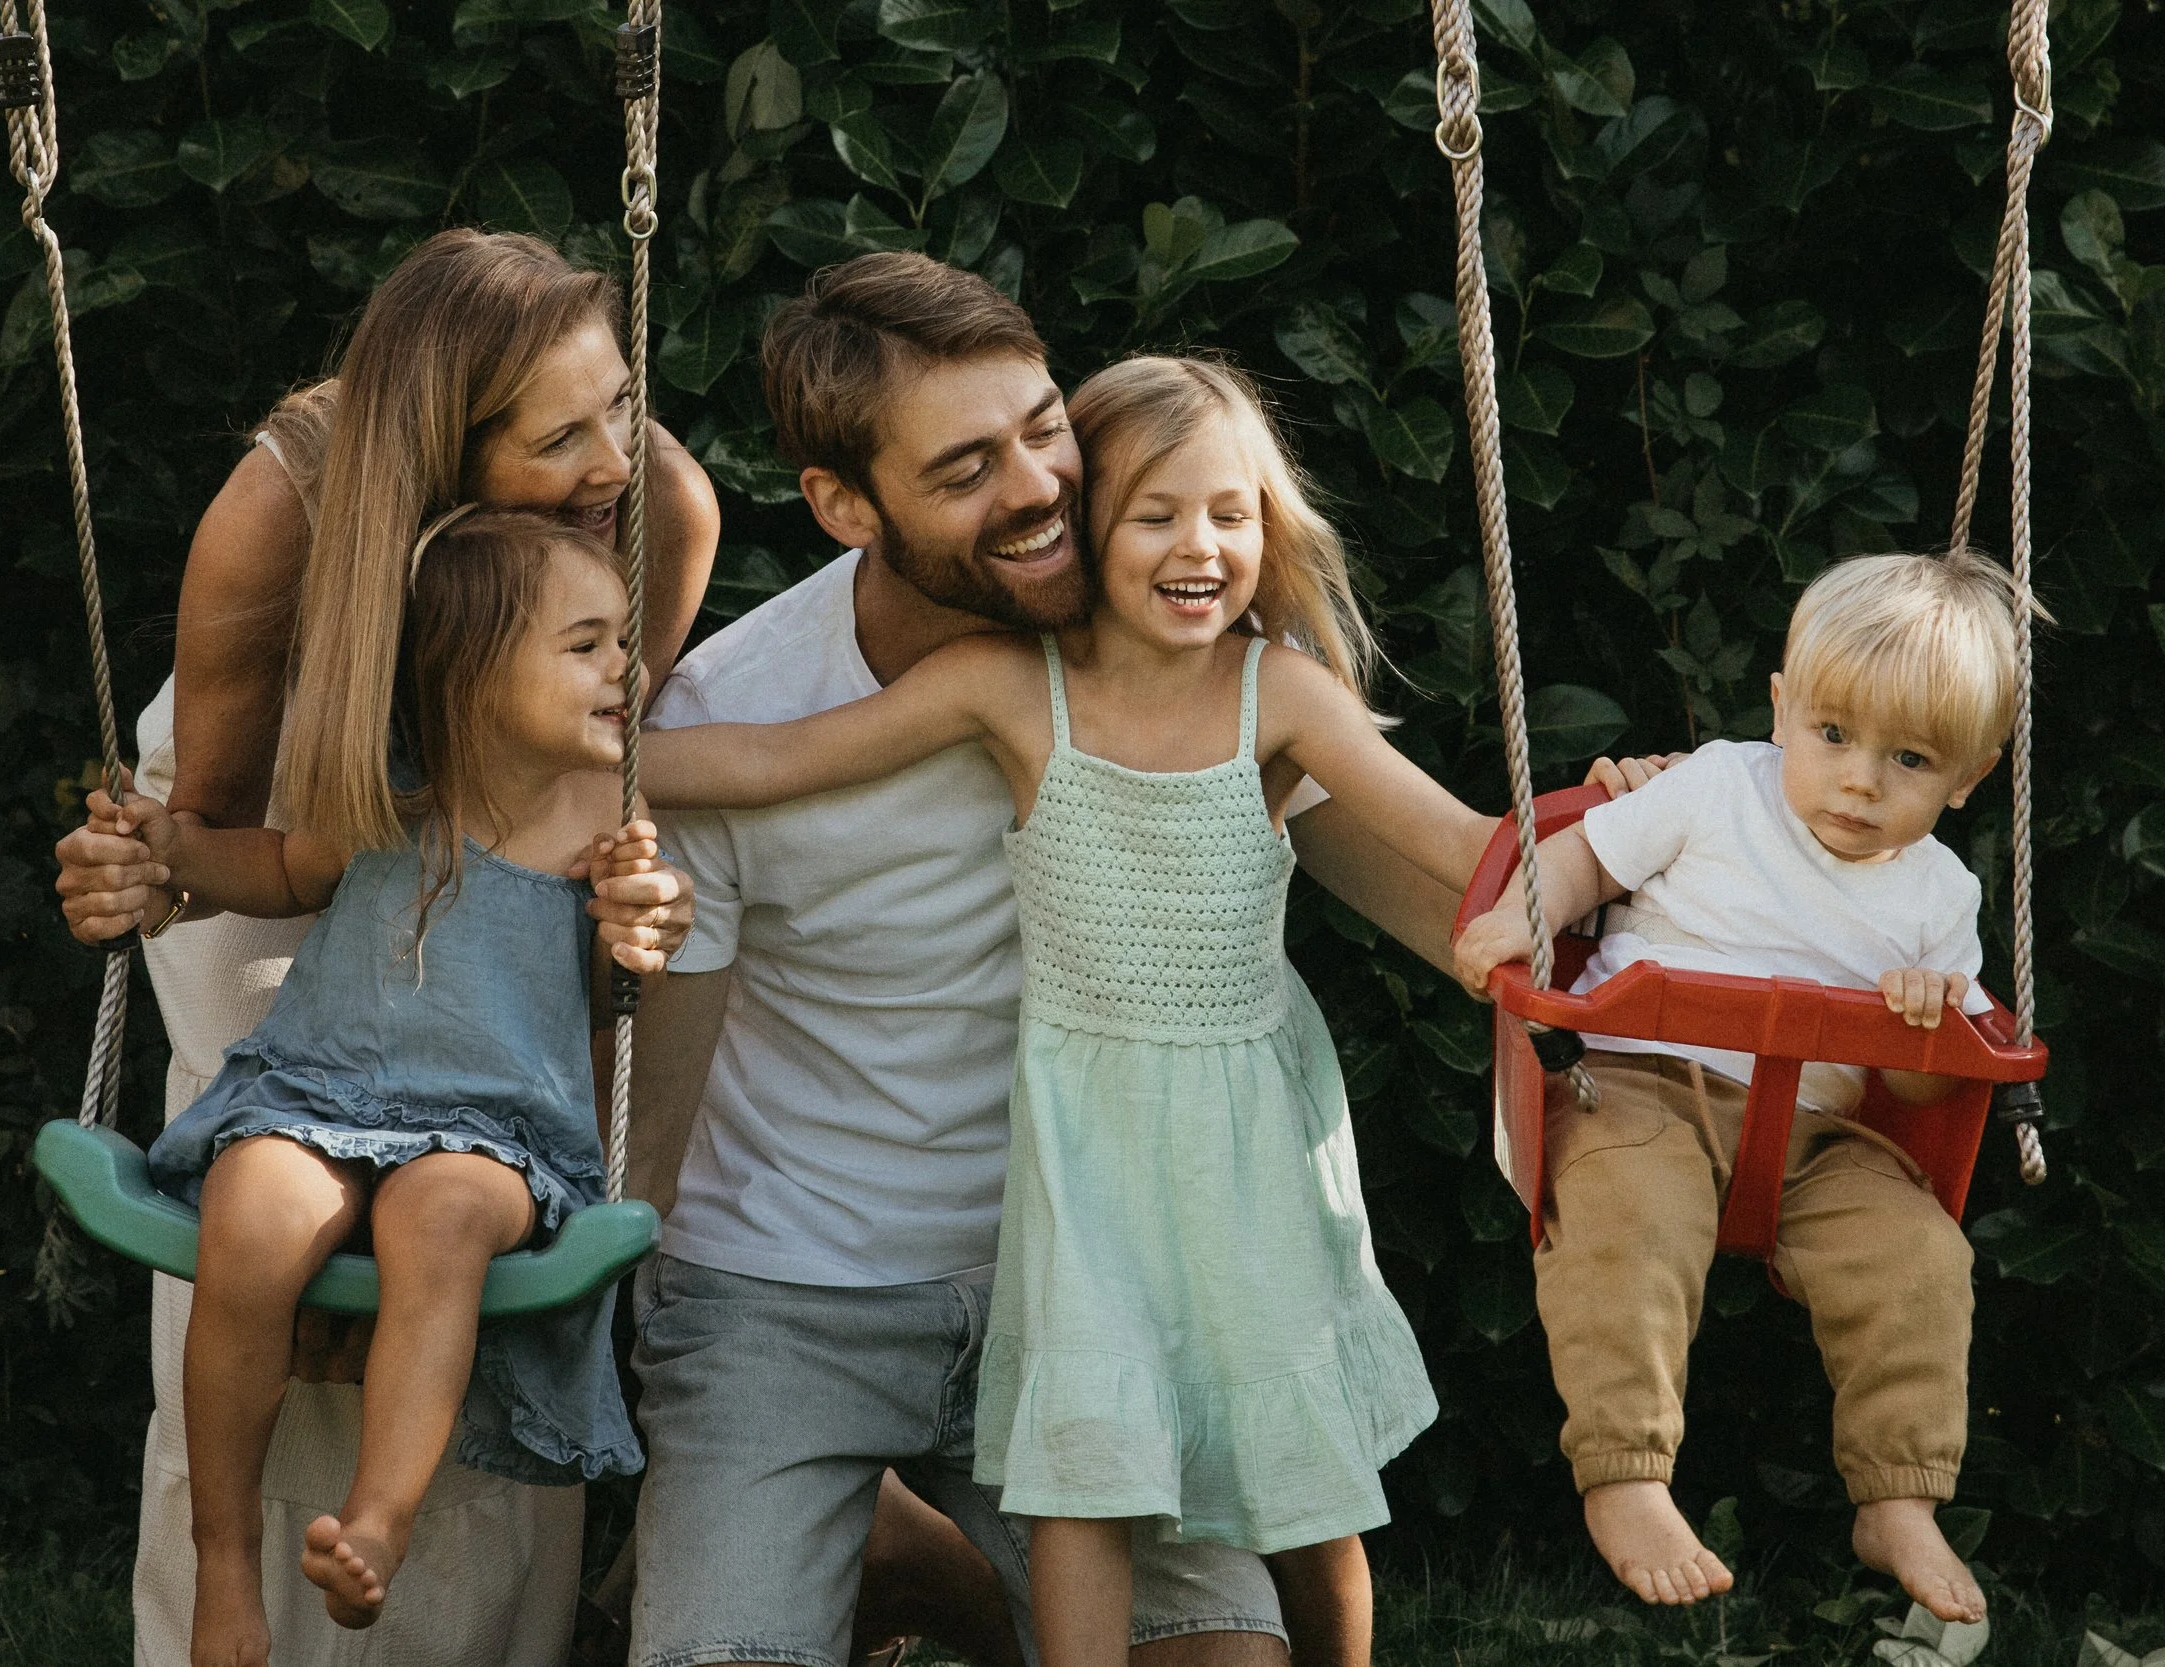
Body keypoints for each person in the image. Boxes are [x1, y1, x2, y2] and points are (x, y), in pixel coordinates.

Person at [614, 251, 1666, 1667]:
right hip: (795, 1289)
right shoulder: (750, 704)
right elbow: (663, 1087)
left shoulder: (1197, 662)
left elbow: (1442, 885)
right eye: (969, 466)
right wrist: (618, 1312)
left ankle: (938, 1564)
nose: (1041, 485)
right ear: (844, 505)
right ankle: (872, 1528)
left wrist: (1654, 844)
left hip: (1105, 1269)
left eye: (1044, 424)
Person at [49, 228, 713, 1667]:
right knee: (263, 1222)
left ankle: (461, 1610)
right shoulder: (279, 512)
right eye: (559, 435)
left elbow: (603, 759)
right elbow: (224, 836)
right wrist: (141, 869)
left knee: (447, 1230)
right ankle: (218, 1594)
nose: (613, 456)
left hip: (510, 852)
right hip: (312, 792)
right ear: (445, 447)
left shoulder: (651, 499)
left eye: (622, 401)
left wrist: (624, 902)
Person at [1452, 550, 2031, 1625]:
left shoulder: (1939, 895)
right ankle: (1624, 1467)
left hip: (1816, 1135)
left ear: (1971, 775)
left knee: (1920, 1254)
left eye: (1909, 757)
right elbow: (1590, 856)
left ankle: (1896, 1493)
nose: (1860, 778)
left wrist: (1921, 1018)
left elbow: (1917, 1086)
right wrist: (1528, 916)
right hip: (1642, 1088)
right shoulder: (1718, 784)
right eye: (1832, 734)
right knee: (1623, 1205)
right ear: (1782, 708)